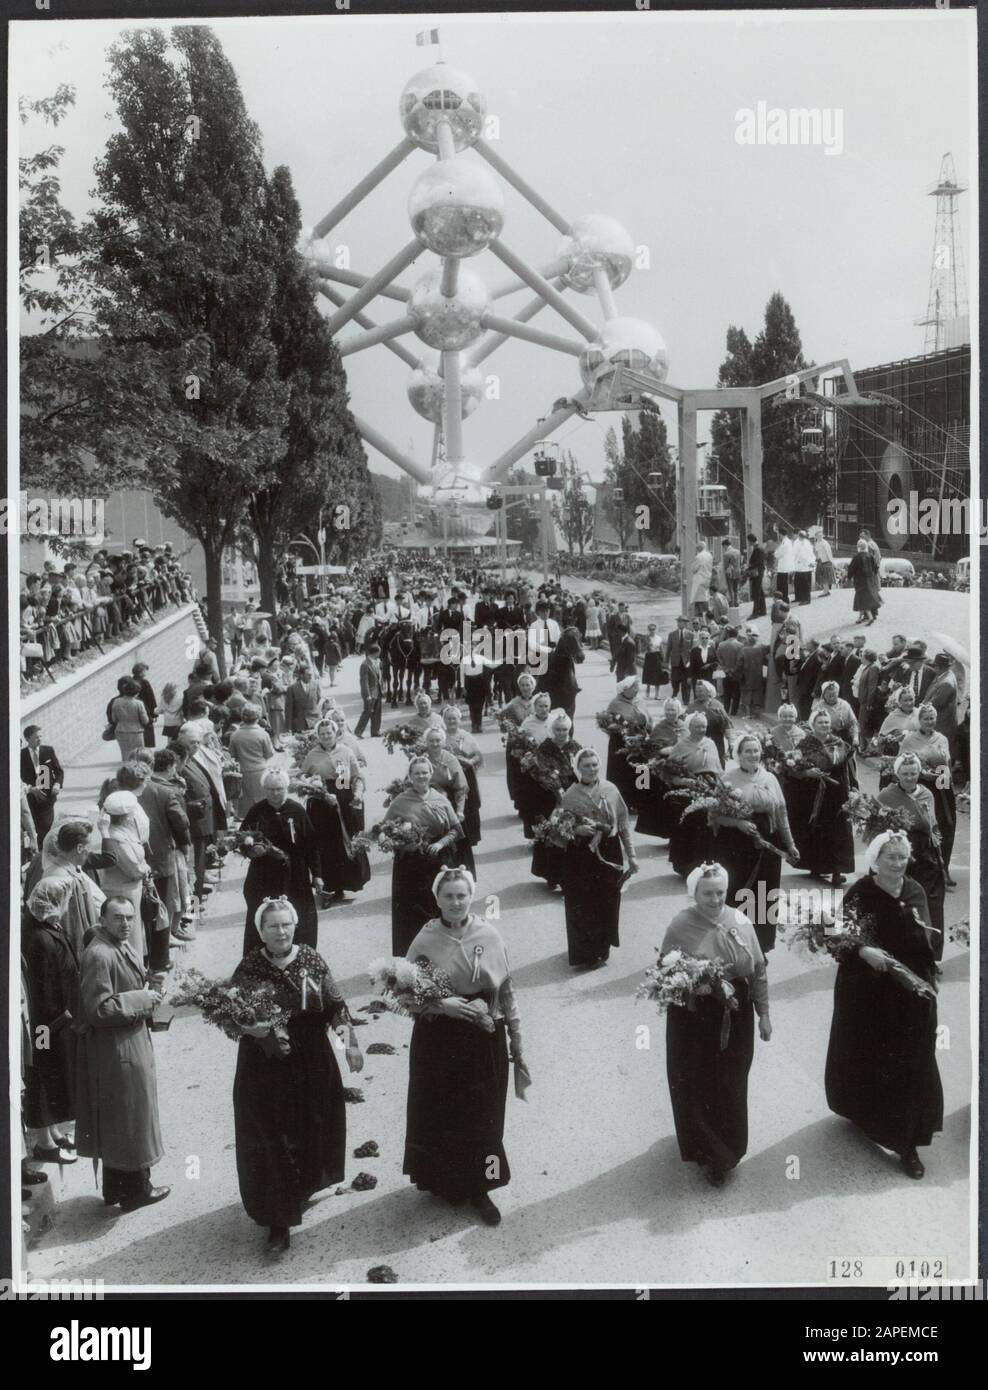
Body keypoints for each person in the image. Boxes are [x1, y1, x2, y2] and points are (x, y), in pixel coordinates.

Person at [402, 868, 526, 1227]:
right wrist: (443, 1006)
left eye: (461, 895)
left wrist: (516, 1040)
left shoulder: (488, 933)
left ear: (470, 897)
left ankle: (481, 1187)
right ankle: (444, 1181)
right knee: (440, 1109)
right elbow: (405, 995)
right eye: (448, 896)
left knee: (483, 1112)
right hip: (438, 1037)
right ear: (436, 898)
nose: (455, 903)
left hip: (483, 1032)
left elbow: (506, 991)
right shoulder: (424, 939)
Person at [232, 897, 354, 1253]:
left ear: (294, 925)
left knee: (309, 1126)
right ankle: (278, 1221)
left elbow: (335, 1005)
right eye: (273, 926)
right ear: (261, 931)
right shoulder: (250, 966)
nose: (281, 931)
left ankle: (300, 1189)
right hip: (263, 1062)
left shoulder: (311, 959)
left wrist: (350, 1045)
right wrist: (250, 1029)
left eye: (286, 924)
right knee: (270, 1134)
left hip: (311, 1057)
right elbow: (231, 1014)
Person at [824, 832, 942, 1179]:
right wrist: (864, 951)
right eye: (890, 856)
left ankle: (907, 1144)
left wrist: (929, 968)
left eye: (902, 856)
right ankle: (863, 1112)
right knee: (871, 1056)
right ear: (876, 859)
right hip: (868, 992)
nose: (898, 862)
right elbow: (837, 935)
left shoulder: (915, 890)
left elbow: (929, 938)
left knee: (912, 1060)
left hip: (910, 989)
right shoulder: (861, 892)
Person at [659, 862, 770, 1186]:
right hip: (693, 1016)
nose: (715, 899)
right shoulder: (680, 925)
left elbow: (758, 970)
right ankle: (710, 1154)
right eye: (708, 893)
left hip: (735, 1012)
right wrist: (693, 983)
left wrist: (764, 1014)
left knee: (732, 1079)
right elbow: (663, 972)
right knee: (697, 1080)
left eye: (720, 892)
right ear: (694, 893)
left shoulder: (740, 920)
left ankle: (730, 1148)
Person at [75, 897, 169, 1211]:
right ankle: (136, 1191)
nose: (126, 923)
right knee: (131, 1117)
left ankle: (116, 1189)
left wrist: (148, 988)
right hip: (117, 1047)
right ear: (103, 919)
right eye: (118, 917)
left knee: (122, 1118)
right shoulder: (100, 954)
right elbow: (98, 1009)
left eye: (129, 917)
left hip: (126, 1041)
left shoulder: (117, 944)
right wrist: (142, 999)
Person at [711, 735, 799, 953]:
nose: (753, 755)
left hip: (767, 845)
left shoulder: (770, 778)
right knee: (738, 892)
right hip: (736, 845)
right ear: (738, 754)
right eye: (747, 751)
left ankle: (760, 947)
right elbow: (713, 816)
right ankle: (733, 944)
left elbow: (781, 813)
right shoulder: (727, 779)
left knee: (764, 896)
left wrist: (790, 844)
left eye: (756, 750)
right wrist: (737, 822)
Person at [558, 748, 639, 968]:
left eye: (594, 765)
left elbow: (622, 825)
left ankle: (603, 946)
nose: (591, 769)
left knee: (607, 900)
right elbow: (558, 830)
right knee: (582, 903)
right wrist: (576, 831)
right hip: (581, 855)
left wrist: (631, 855)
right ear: (578, 768)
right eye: (586, 765)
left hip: (609, 852)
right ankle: (585, 953)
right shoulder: (569, 795)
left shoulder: (610, 789)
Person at [24, 877, 81, 1165]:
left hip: (57, 1023)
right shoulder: (40, 939)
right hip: (48, 1026)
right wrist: (58, 1022)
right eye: (65, 899)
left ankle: (55, 1132)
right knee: (44, 1076)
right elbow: (43, 991)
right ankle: (45, 1143)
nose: (68, 903)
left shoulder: (49, 928)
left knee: (55, 1077)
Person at [382, 756, 465, 955]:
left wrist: (440, 843)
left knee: (439, 906)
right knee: (411, 912)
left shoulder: (440, 798)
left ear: (430, 774)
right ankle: (412, 954)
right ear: (410, 776)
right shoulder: (400, 801)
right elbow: (383, 829)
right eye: (417, 773)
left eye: (425, 772)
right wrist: (394, 839)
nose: (421, 776)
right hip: (410, 864)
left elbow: (456, 830)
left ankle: (444, 952)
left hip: (437, 861)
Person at [239, 768, 324, 958]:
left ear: (286, 788)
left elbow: (311, 845)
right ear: (264, 789)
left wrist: (317, 874)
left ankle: (302, 959)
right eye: (270, 789)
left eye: (279, 789)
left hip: (296, 875)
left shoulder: (297, 810)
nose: (275, 793)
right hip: (264, 875)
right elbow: (242, 840)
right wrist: (252, 851)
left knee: (299, 918)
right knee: (263, 917)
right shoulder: (257, 811)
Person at [878, 754, 947, 959]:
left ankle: (931, 954)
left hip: (926, 855)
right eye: (905, 773)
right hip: (900, 855)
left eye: (913, 773)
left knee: (932, 904)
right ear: (897, 773)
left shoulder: (927, 793)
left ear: (919, 773)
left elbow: (932, 826)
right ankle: (902, 950)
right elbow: (880, 829)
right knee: (902, 903)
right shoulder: (886, 795)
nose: (909, 777)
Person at [300, 720, 370, 901]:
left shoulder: (346, 751)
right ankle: (330, 887)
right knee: (327, 845)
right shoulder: (312, 755)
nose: (326, 736)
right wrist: (317, 790)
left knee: (345, 840)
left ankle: (349, 883)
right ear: (318, 735)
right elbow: (302, 778)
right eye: (322, 733)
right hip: (321, 806)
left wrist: (358, 793)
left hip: (344, 800)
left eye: (329, 733)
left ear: (335, 733)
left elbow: (356, 776)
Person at [784, 709, 856, 887]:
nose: (824, 725)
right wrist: (807, 772)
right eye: (820, 722)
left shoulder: (839, 743)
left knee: (838, 831)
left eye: (826, 722)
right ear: (812, 725)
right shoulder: (805, 744)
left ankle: (837, 871)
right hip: (812, 794)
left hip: (837, 793)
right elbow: (793, 768)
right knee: (815, 830)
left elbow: (848, 768)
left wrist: (853, 789)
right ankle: (816, 866)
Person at [666, 713, 725, 878]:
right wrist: (684, 781)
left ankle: (708, 863)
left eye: (703, 726)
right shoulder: (681, 745)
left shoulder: (711, 743)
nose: (701, 729)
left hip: (711, 787)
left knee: (711, 824)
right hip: (690, 788)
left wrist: (723, 785)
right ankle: (687, 865)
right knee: (692, 823)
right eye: (697, 726)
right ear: (689, 727)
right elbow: (669, 772)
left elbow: (718, 768)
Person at [900, 704, 956, 880]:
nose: (929, 722)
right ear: (919, 720)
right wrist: (922, 773)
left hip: (941, 787)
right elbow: (902, 764)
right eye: (926, 718)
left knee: (945, 825)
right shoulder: (910, 740)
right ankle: (923, 868)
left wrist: (943, 779)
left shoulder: (942, 738)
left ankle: (943, 868)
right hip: (920, 787)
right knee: (923, 827)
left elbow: (946, 763)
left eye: (932, 718)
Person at [529, 710, 578, 889]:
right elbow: (539, 771)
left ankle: (566, 876)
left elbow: (581, 770)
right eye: (557, 729)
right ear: (552, 730)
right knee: (551, 833)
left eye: (564, 730)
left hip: (571, 795)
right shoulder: (544, 748)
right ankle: (550, 873)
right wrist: (555, 787)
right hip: (549, 796)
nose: (561, 733)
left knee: (568, 834)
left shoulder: (575, 747)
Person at [442, 705, 483, 859]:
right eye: (448, 718)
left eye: (454, 718)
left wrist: (469, 761)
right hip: (448, 778)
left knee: (470, 806)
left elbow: (478, 755)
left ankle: (470, 840)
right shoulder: (441, 736)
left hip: (466, 775)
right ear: (444, 720)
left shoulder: (466, 736)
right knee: (452, 807)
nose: (451, 721)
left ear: (459, 719)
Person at [228, 706, 276, 818]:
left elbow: (231, 755)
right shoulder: (262, 734)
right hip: (260, 771)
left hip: (243, 773)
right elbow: (270, 754)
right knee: (262, 804)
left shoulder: (235, 735)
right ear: (258, 718)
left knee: (246, 806)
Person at [21, 726, 65, 843]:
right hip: (30, 799)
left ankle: (43, 853)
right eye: (36, 737)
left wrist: (57, 784)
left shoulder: (48, 751)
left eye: (41, 736)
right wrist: (30, 789)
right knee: (34, 828)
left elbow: (59, 772)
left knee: (46, 827)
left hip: (47, 797)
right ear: (27, 738)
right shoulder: (21, 755)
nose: (39, 739)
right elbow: (17, 778)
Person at [540, 626, 584, 720]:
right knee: (542, 664)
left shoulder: (553, 624)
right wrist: (545, 649)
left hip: (556, 649)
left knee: (568, 661)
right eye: (543, 611)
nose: (545, 613)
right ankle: (539, 685)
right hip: (542, 650)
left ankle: (573, 686)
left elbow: (559, 637)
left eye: (546, 611)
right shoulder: (535, 625)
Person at [108, 677, 150, 762]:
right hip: (136, 732)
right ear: (137, 692)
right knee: (138, 755)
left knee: (125, 754)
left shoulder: (116, 702)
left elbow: (114, 719)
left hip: (121, 731)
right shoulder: (139, 703)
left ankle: (126, 772)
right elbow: (145, 720)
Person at [848, 539, 882, 623]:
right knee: (866, 598)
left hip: (860, 582)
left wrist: (849, 577)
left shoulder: (856, 557)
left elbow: (851, 569)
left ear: (858, 547)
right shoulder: (870, 556)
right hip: (870, 580)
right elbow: (876, 568)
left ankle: (869, 617)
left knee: (862, 600)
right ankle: (860, 618)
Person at [354, 643, 383, 738]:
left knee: (377, 712)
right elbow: (364, 682)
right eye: (378, 652)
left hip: (377, 691)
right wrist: (367, 695)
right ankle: (358, 731)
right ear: (374, 653)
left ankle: (375, 731)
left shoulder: (376, 661)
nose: (379, 654)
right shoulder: (365, 665)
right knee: (367, 712)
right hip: (370, 693)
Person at [132, 663, 158, 748]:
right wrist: (154, 714)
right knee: (147, 735)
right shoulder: (144, 682)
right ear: (141, 671)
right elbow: (150, 698)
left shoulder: (130, 681)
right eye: (145, 670)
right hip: (145, 711)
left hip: (134, 712)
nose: (146, 672)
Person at [689, 541, 713, 617]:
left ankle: (699, 618)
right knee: (705, 598)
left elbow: (693, 569)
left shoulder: (699, 556)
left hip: (699, 580)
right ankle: (706, 616)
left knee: (698, 601)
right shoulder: (709, 555)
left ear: (698, 548)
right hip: (707, 579)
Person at [792, 531, 815, 604]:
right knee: (798, 582)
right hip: (798, 566)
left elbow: (809, 554)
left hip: (806, 566)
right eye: (800, 536)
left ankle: (806, 599)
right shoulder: (796, 542)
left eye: (802, 536)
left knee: (805, 584)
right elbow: (794, 553)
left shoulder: (807, 543)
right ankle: (798, 597)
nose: (801, 537)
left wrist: (811, 563)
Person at [812, 530, 835, 596]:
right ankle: (826, 591)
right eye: (818, 535)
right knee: (821, 577)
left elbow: (829, 553)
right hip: (820, 561)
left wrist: (831, 561)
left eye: (820, 535)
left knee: (825, 577)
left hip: (826, 561)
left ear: (822, 536)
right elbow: (816, 553)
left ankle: (826, 591)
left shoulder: (825, 543)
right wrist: (815, 556)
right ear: (816, 536)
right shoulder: (816, 543)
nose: (819, 537)